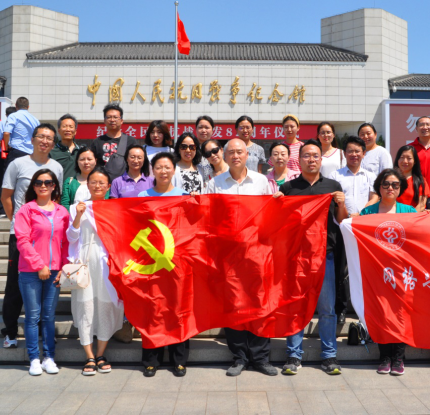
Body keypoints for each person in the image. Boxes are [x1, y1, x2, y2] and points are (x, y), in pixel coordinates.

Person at [204, 138, 277, 377]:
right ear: (225, 156)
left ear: (248, 155)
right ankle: (239, 357)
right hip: (228, 255)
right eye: (231, 152)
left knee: (260, 302)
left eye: (240, 152)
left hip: (257, 252)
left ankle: (260, 357)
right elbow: (207, 216)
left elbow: (271, 214)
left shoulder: (261, 181)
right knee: (234, 304)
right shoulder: (214, 184)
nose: (236, 155)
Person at [278, 139, 349, 376]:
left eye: (315, 156)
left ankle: (329, 356)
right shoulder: (288, 188)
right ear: (299, 160)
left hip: (325, 255)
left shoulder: (332, 186)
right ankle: (293, 355)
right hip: (296, 257)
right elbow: (278, 221)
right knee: (295, 306)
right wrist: (276, 203)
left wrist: (341, 204)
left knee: (327, 308)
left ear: (321, 159)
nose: (311, 160)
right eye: (307, 156)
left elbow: (342, 220)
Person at [1, 123, 64, 349]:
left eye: (49, 138)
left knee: (45, 283)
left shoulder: (56, 167)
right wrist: (18, 223)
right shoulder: (17, 164)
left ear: (53, 143)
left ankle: (42, 331)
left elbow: (56, 198)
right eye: (41, 136)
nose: (45, 141)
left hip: (46, 236)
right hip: (21, 236)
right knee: (15, 284)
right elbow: (6, 196)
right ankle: (10, 331)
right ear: (32, 139)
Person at [68, 167, 124, 375]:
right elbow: (71, 237)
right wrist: (78, 216)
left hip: (107, 264)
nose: (97, 186)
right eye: (93, 182)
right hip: (84, 263)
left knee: (106, 306)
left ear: (108, 186)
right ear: (87, 184)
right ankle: (89, 356)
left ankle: (100, 354)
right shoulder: (76, 208)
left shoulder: (114, 208)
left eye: (102, 183)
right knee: (85, 307)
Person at [360, 168, 416, 376]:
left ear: (400, 188)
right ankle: (384, 357)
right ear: (379, 187)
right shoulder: (368, 213)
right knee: (381, 313)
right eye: (386, 184)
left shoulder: (409, 212)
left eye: (395, 184)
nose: (390, 188)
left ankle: (398, 358)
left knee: (401, 314)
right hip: (377, 271)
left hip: (402, 272)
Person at [138, 152, 189, 378]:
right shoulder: (142, 196)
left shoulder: (184, 196)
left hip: (177, 262)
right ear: (152, 170)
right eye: (159, 167)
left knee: (178, 309)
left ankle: (179, 360)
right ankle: (151, 360)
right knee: (153, 310)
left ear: (174, 170)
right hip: (152, 262)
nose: (163, 171)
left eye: (167, 167)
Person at [14, 169, 69, 376]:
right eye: (38, 182)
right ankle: (34, 359)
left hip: (54, 271)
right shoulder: (26, 210)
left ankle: (49, 357)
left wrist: (62, 267)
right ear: (33, 186)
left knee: (48, 316)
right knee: (32, 316)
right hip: (30, 271)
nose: (43, 185)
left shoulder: (62, 212)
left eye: (48, 182)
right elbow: (23, 241)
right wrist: (39, 265)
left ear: (54, 186)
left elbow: (65, 243)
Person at [328, 135, 378, 323]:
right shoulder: (335, 176)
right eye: (350, 151)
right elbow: (333, 201)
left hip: (364, 229)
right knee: (340, 270)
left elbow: (375, 197)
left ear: (364, 153)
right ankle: (340, 309)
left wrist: (361, 213)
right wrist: (347, 215)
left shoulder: (371, 176)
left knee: (364, 270)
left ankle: (365, 308)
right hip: (341, 227)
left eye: (358, 151)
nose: (354, 154)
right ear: (344, 153)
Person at [0, 106, 17, 218]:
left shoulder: (2, 123)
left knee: (2, 182)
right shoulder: (19, 123)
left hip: (3, 154)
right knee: (15, 181)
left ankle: (2, 210)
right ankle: (15, 207)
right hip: (17, 154)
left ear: (6, 115)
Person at [3, 97, 40, 167]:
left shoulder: (13, 116)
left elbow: (6, 133)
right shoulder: (35, 120)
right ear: (28, 107)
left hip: (16, 150)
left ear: (16, 105)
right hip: (31, 152)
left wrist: (6, 146)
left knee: (11, 173)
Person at [394, 145, 430, 211]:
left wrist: (410, 216)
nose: (405, 161)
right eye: (402, 157)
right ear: (397, 159)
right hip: (393, 216)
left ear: (415, 161)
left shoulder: (420, 181)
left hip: (413, 216)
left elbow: (421, 205)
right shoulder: (390, 179)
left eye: (409, 158)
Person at [49, 114, 81, 179]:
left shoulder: (81, 152)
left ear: (75, 131)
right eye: (64, 126)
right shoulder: (51, 152)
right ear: (59, 131)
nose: (68, 129)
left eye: (71, 127)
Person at [195, 115, 215, 183]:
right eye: (200, 127)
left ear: (212, 130)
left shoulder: (217, 150)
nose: (203, 130)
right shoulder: (191, 149)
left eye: (207, 127)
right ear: (196, 129)